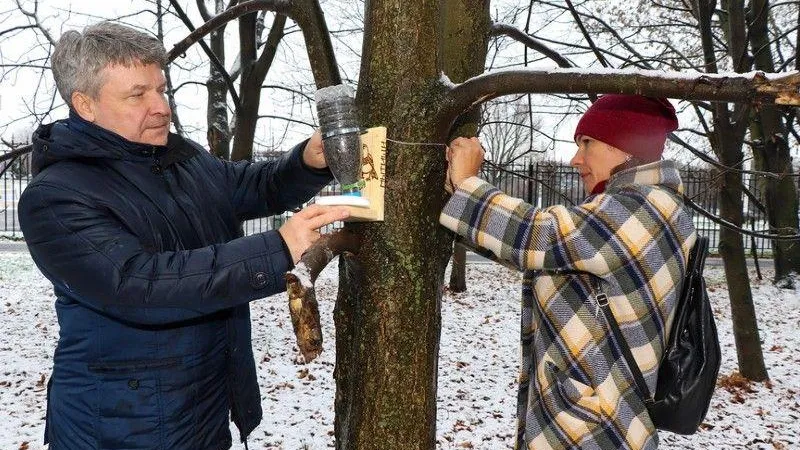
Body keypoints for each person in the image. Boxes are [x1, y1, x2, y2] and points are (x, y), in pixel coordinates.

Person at [17, 22, 349, 449]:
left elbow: (252, 186)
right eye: (138, 95)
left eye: (161, 90)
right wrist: (278, 247)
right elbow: (139, 284)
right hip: (121, 425)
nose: (161, 107)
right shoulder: (56, 197)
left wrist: (307, 161)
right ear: (86, 105)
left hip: (202, 408)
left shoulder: (178, 158)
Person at [441, 95, 696, 450]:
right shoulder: (635, 207)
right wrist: (456, 192)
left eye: (586, 143)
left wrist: (469, 183)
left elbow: (539, 235)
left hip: (595, 432)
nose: (576, 159)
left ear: (625, 146)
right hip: (592, 425)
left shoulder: (643, 209)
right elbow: (542, 257)